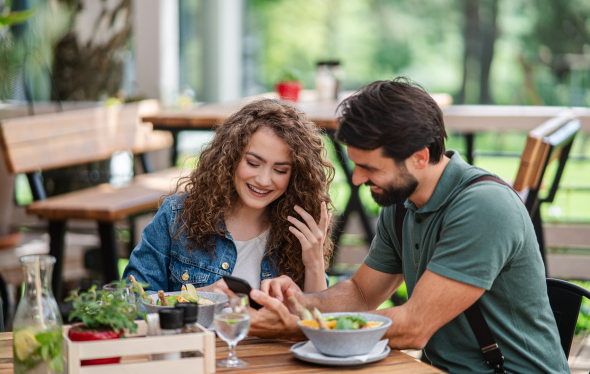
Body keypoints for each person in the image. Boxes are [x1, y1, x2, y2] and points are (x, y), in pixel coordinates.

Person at [247, 78, 569, 373]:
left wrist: (301, 327)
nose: (357, 179)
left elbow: (414, 327)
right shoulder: (402, 204)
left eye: (368, 167)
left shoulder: (484, 208)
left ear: (419, 157)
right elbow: (360, 293)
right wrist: (298, 305)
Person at [123, 99, 335, 294]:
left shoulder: (298, 230)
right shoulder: (177, 217)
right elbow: (131, 301)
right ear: (231, 157)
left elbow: (318, 323)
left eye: (280, 170)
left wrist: (314, 264)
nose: (263, 180)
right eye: (253, 163)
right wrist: (202, 297)